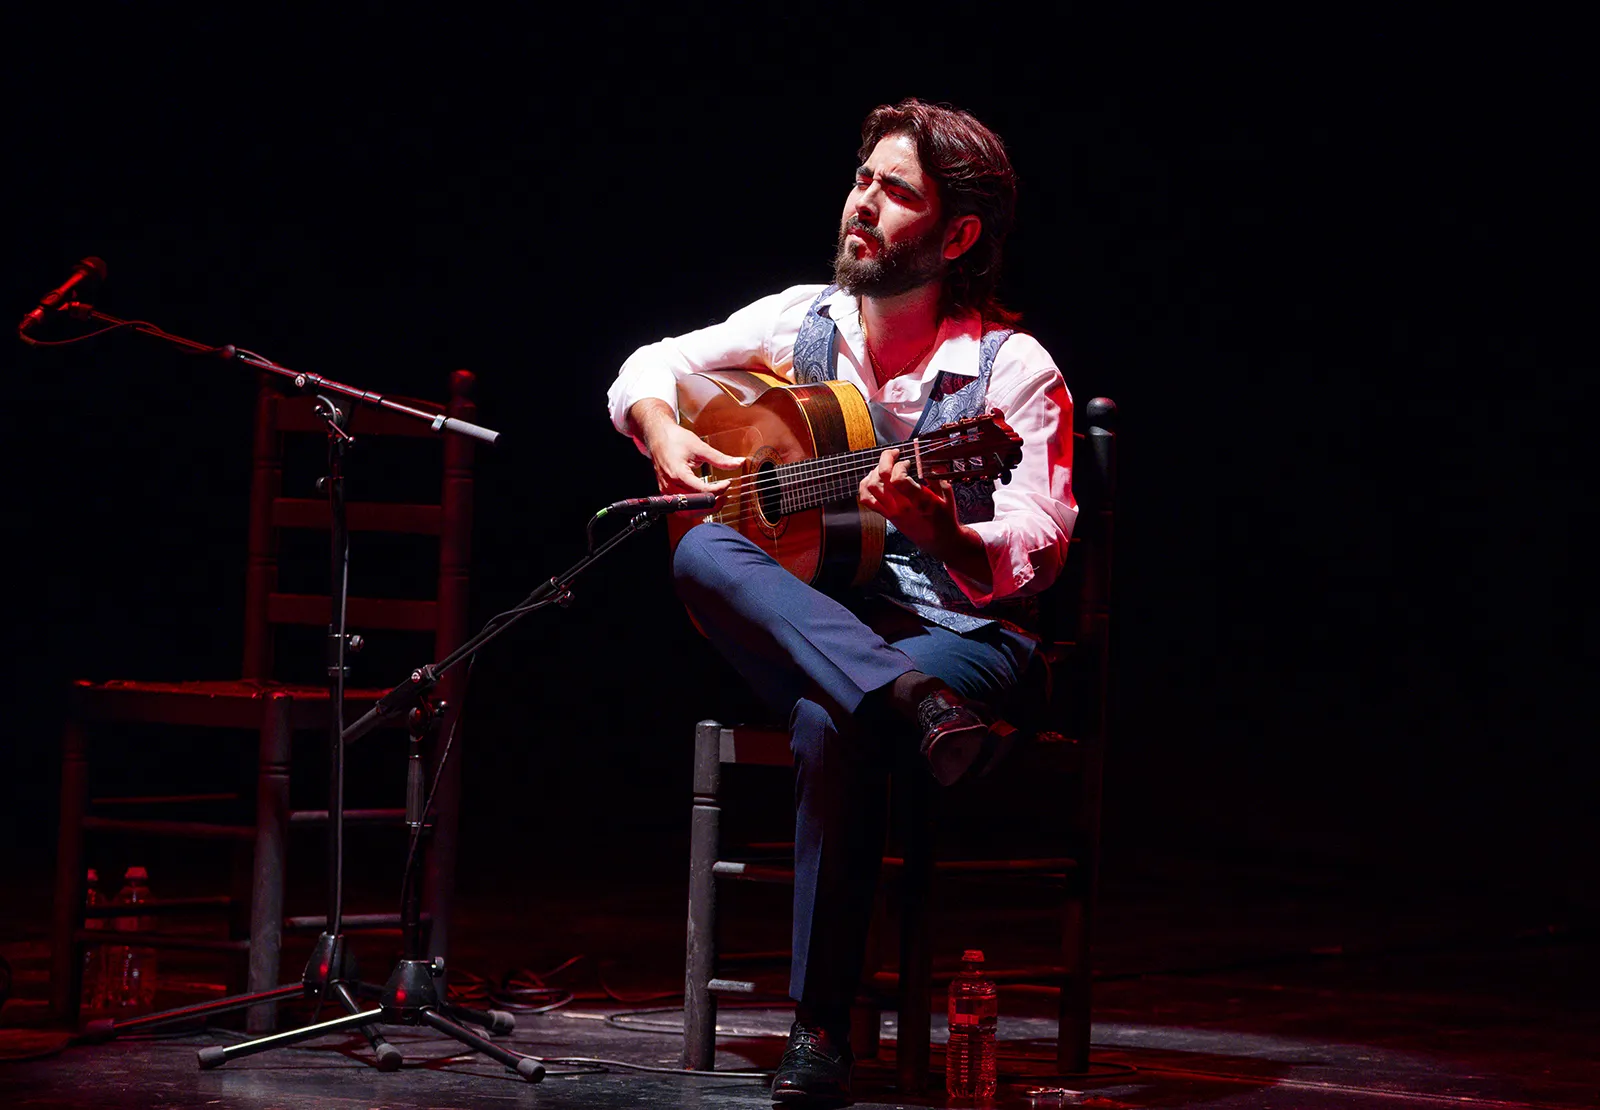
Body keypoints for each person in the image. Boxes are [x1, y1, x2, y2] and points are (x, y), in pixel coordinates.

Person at [606, 98, 1077, 1104]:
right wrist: (661, 430)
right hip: (845, 632)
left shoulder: (1011, 370)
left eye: (895, 190)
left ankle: (818, 1031)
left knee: (833, 718)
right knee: (698, 556)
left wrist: (938, 525)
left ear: (957, 236)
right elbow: (648, 365)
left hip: (966, 635)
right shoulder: (797, 321)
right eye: (862, 178)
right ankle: (908, 706)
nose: (862, 203)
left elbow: (1035, 555)